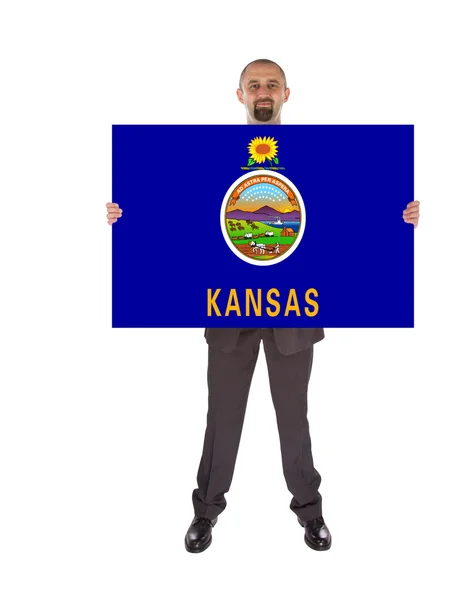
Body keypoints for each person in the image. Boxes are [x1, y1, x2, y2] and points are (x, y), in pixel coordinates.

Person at [106, 59, 421, 553]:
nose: (263, 91)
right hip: (229, 313)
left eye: (271, 84)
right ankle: (205, 512)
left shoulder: (317, 159)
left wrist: (396, 217)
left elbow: (349, 215)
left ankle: (309, 513)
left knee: (294, 419)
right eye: (254, 84)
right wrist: (130, 215)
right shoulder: (209, 159)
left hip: (293, 315)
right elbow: (177, 215)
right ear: (240, 96)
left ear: (287, 94)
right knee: (222, 418)